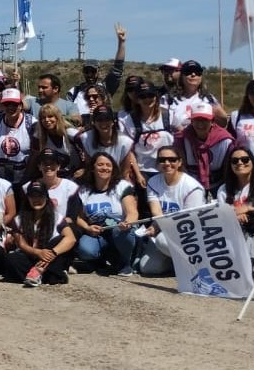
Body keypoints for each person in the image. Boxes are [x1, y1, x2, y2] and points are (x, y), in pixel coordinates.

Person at [137, 147, 207, 276]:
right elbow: (156, 212)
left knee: (162, 241)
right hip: (167, 229)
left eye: (172, 159)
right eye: (162, 160)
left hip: (190, 234)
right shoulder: (153, 182)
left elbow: (191, 220)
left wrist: (159, 226)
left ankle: (198, 264)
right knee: (148, 268)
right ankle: (177, 264)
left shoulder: (192, 187)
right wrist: (155, 226)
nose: (167, 163)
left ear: (180, 162)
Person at [73, 152, 139, 276]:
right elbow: (78, 217)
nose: (105, 168)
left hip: (119, 230)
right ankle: (100, 260)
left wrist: (127, 223)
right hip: (97, 233)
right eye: (100, 164)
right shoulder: (83, 190)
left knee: (120, 232)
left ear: (113, 169)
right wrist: (87, 227)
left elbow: (132, 212)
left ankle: (126, 263)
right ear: (93, 168)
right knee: (85, 250)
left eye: (108, 165)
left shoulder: (122, 186)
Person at [216, 146, 254, 272]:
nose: (239, 163)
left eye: (244, 159)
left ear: (252, 162)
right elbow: (220, 216)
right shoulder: (224, 189)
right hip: (232, 237)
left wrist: (249, 209)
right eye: (234, 161)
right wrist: (236, 216)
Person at [5, 181, 77, 286]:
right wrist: (38, 252)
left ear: (46, 198)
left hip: (51, 254)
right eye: (33, 196)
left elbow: (71, 238)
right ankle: (48, 274)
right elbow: (21, 244)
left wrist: (52, 253)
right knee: (10, 259)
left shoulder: (57, 217)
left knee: (59, 240)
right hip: (32, 255)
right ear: (28, 198)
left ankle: (38, 272)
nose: (36, 200)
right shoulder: (18, 219)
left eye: (40, 196)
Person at [66, 24, 127, 116]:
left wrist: (121, 43)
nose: (89, 74)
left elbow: (117, 70)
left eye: (93, 71)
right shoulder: (73, 92)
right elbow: (69, 114)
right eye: (86, 71)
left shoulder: (105, 88)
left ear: (98, 72)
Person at [120, 80, 173, 182]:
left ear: (156, 97)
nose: (147, 99)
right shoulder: (129, 120)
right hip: (143, 171)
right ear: (137, 100)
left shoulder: (168, 115)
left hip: (168, 168)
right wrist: (138, 175)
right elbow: (129, 151)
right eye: (142, 96)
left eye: (150, 95)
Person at [175, 103, 234, 194]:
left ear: (212, 121)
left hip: (219, 186)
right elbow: (180, 166)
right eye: (197, 120)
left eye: (205, 120)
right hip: (190, 186)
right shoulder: (182, 139)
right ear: (191, 121)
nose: (200, 124)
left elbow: (229, 170)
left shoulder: (225, 141)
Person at [77, 106, 141, 186]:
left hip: (118, 181)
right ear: (94, 122)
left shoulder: (125, 142)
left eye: (107, 119)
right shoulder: (86, 138)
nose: (103, 123)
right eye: (99, 120)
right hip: (95, 181)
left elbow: (124, 173)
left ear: (113, 121)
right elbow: (89, 167)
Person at [0, 88, 34, 183]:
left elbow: (36, 153)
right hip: (1, 180)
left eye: (14, 104)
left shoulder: (31, 124)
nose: (10, 107)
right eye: (7, 104)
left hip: (26, 180)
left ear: (21, 106)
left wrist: (27, 178)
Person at [167, 59, 223, 131]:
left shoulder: (210, 99)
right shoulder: (169, 99)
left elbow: (222, 124)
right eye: (188, 72)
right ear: (182, 76)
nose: (193, 74)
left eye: (197, 72)